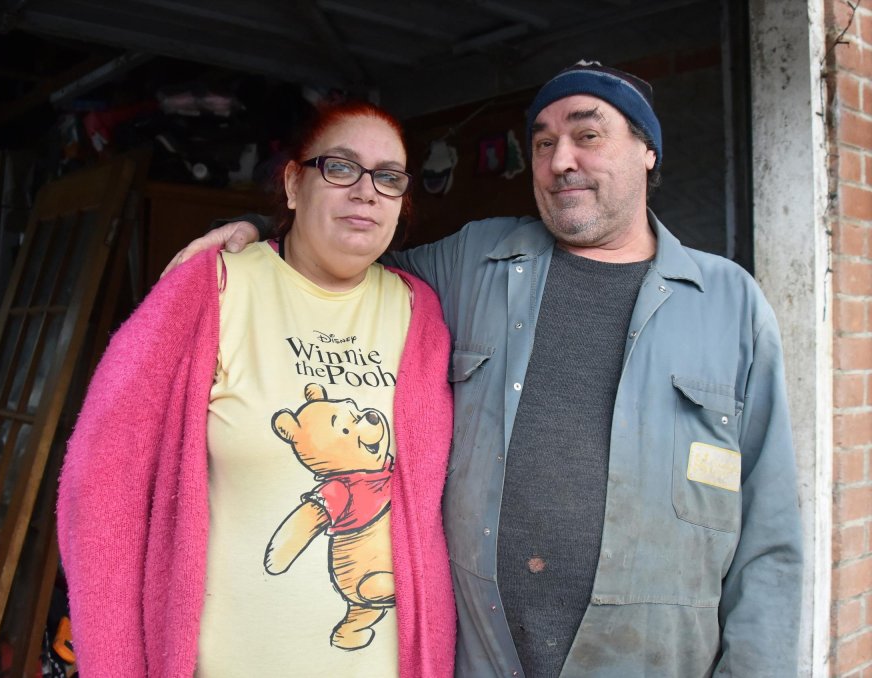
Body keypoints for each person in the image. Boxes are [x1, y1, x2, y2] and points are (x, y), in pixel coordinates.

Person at [172, 61, 806, 677]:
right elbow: (347, 259)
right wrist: (263, 230)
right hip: (484, 659)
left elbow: (770, 540)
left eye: (588, 135)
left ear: (647, 153)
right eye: (544, 143)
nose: (561, 160)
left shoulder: (730, 304)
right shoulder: (475, 260)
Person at [56, 101, 457, 677]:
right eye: (340, 168)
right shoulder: (211, 287)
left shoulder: (420, 312)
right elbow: (101, 488)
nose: (367, 192)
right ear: (294, 183)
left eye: (388, 178)